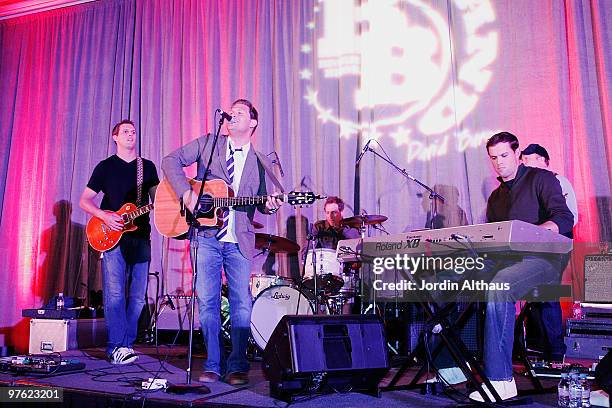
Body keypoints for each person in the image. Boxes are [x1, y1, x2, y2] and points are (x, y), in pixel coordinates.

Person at [162, 99, 282, 386]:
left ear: (253, 123)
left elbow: (264, 204)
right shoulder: (208, 143)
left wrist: (271, 205)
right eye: (231, 111)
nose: (233, 114)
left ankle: (238, 365)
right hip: (205, 237)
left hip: (238, 240)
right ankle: (214, 363)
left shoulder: (262, 162)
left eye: (240, 111)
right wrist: (187, 195)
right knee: (207, 303)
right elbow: (170, 161)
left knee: (242, 304)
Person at [469, 132, 573, 401]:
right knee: (449, 278)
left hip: (543, 261)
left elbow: (564, 218)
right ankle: (450, 368)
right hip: (506, 260)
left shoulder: (541, 179)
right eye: (494, 158)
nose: (499, 162)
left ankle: (501, 381)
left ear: (517, 154)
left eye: (504, 155)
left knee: (500, 286)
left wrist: (534, 234)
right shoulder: (495, 197)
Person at [79, 120, 159, 364]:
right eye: (125, 131)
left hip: (140, 236)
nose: (130, 135)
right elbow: (85, 200)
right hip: (111, 237)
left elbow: (158, 199)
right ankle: (116, 347)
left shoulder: (146, 167)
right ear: (115, 137)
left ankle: (125, 344)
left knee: (137, 297)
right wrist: (104, 215)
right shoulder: (105, 167)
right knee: (114, 295)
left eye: (134, 131)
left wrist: (177, 200)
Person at [520, 143, 578, 363]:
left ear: (543, 160)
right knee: (537, 296)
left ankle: (555, 351)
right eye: (523, 160)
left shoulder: (558, 181)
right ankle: (538, 347)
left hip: (554, 246)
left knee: (548, 296)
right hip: (532, 247)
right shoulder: (526, 186)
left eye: (529, 159)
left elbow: (569, 217)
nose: (525, 164)